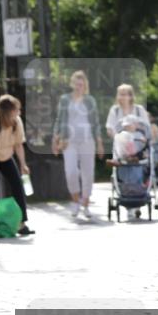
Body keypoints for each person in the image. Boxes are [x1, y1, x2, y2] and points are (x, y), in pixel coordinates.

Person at [52, 70, 103, 219]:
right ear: (72, 84)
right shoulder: (65, 99)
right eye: (77, 84)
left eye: (82, 84)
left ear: (85, 85)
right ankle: (75, 201)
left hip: (87, 141)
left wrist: (99, 143)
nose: (79, 87)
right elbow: (59, 120)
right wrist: (55, 140)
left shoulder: (90, 100)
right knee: (71, 171)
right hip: (69, 141)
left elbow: (96, 123)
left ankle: (86, 204)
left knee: (88, 173)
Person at [0, 94, 33, 236]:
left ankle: (21, 224)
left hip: (6, 157)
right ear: (7, 111)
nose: (19, 112)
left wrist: (23, 164)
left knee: (18, 186)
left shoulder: (17, 122)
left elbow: (18, 145)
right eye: (16, 109)